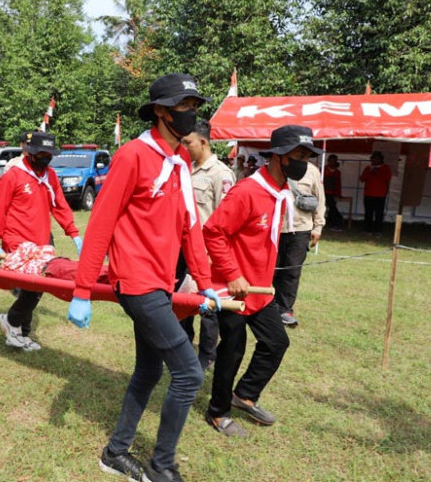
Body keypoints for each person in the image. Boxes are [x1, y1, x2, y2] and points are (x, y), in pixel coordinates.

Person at [67, 73, 220, 482]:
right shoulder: (133, 155)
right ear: (160, 111)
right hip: (136, 283)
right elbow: (101, 222)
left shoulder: (181, 162)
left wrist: (203, 281)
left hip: (163, 281)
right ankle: (161, 466)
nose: (190, 114)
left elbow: (190, 225)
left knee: (150, 371)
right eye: (182, 107)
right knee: (188, 373)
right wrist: (82, 289)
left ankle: (115, 452)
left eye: (193, 107)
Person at [202, 124, 322, 438]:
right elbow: (213, 232)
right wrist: (233, 274)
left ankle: (244, 395)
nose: (304, 162)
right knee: (233, 349)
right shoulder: (247, 191)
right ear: (279, 156)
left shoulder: (282, 192)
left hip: (260, 289)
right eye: (299, 155)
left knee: (276, 342)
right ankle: (217, 413)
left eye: (307, 156)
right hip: (234, 289)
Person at [0, 131, 82, 351]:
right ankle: (13, 325)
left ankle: (17, 331)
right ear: (29, 153)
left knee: (34, 288)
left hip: (41, 243)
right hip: (18, 242)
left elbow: (60, 206)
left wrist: (74, 234)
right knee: (34, 288)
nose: (44, 158)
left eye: (48, 155)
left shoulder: (50, 176)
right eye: (40, 154)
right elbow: (0, 210)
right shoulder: (12, 176)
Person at [179, 119, 235, 370]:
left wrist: (213, 254)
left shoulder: (221, 174)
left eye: (188, 142)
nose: (184, 146)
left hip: (205, 252)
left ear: (203, 141)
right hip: (180, 249)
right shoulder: (184, 169)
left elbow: (225, 219)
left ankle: (206, 355)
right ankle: (182, 346)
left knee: (208, 308)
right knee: (180, 299)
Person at [273, 162, 325, 326]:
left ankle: (285, 309)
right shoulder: (273, 166)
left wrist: (318, 226)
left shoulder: (311, 171)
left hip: (301, 228)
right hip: (274, 228)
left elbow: (320, 199)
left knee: (292, 271)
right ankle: (266, 307)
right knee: (270, 270)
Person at [359, 150, 391, 235]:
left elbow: (387, 178)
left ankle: (378, 230)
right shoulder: (368, 168)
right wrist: (370, 171)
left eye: (377, 159)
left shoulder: (385, 168)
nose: (375, 160)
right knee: (368, 213)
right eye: (373, 159)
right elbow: (362, 179)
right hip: (368, 194)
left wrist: (377, 172)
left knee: (379, 214)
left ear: (381, 159)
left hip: (380, 195)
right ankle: (367, 230)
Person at [323, 154, 344, 231]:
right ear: (328, 161)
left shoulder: (337, 172)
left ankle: (334, 223)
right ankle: (332, 223)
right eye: (331, 161)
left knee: (332, 208)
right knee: (325, 208)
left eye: (334, 161)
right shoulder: (323, 169)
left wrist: (338, 194)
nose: (332, 162)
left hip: (332, 193)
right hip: (323, 192)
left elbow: (338, 183)